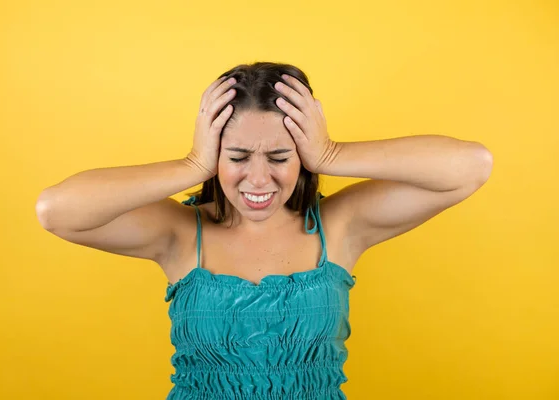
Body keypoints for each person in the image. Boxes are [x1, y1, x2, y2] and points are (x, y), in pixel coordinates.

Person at [35, 61, 493, 399]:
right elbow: (55, 210)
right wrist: (191, 164)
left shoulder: (339, 226)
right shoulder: (179, 233)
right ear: (215, 154)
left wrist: (333, 154)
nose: (258, 180)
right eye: (237, 158)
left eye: (279, 158)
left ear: (303, 156)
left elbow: (471, 165)